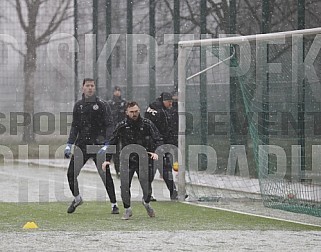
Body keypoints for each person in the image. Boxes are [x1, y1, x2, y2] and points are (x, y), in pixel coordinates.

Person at [64, 78, 119, 214]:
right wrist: (69, 144)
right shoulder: (78, 105)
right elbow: (75, 127)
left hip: (98, 146)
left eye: (92, 86)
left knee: (105, 175)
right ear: (83, 88)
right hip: (82, 146)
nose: (90, 88)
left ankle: (114, 204)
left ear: (95, 88)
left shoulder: (102, 104)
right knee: (71, 174)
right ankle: (77, 199)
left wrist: (107, 143)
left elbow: (109, 124)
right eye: (87, 85)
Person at [101, 101, 163, 220]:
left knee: (147, 185)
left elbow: (158, 138)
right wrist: (107, 159)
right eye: (131, 112)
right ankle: (127, 209)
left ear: (139, 111)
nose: (134, 114)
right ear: (127, 112)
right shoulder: (122, 126)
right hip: (127, 160)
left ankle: (146, 202)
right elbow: (112, 142)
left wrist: (155, 152)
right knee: (124, 185)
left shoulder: (147, 124)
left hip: (144, 159)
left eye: (136, 111)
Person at [145, 92, 178, 200]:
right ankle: (149, 193)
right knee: (157, 169)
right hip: (154, 145)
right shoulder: (159, 112)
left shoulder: (158, 109)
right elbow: (162, 130)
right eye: (169, 102)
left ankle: (172, 193)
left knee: (162, 169)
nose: (171, 104)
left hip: (157, 144)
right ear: (164, 101)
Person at [107, 86, 127, 177]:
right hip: (114, 130)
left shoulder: (124, 103)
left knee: (124, 149)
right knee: (116, 151)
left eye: (119, 91)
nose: (117, 93)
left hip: (123, 129)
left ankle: (124, 169)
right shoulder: (110, 104)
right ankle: (118, 170)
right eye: (116, 91)